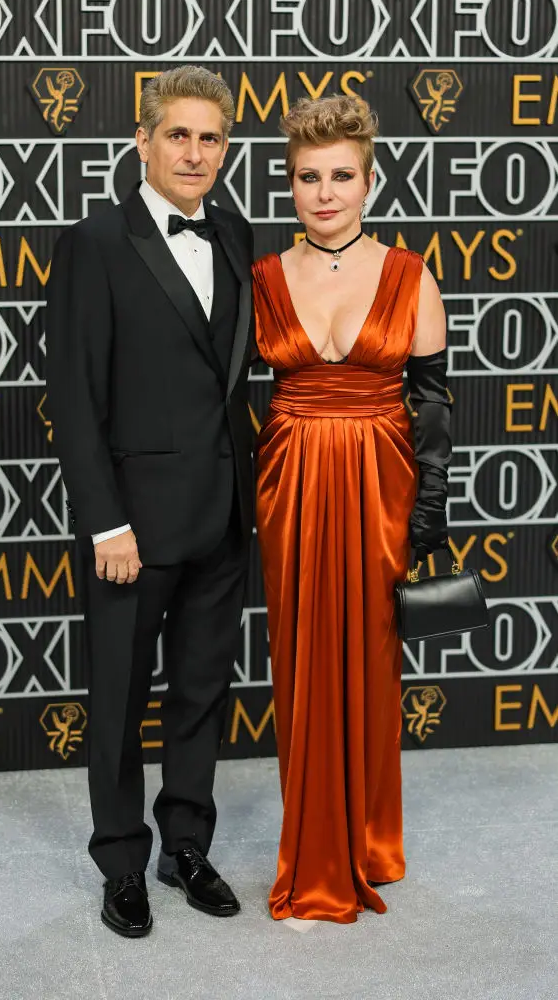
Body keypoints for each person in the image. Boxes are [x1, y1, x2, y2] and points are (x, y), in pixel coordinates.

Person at [46, 66, 254, 938]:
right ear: (142, 140)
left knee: (201, 692)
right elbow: (73, 395)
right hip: (131, 525)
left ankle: (186, 847)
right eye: (178, 135)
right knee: (120, 700)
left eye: (210, 138)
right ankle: (122, 861)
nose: (194, 153)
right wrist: (106, 522)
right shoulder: (95, 241)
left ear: (224, 149)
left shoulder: (235, 230)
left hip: (222, 513)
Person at [253, 95, 451, 923]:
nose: (324, 193)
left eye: (340, 176)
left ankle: (368, 839)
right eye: (308, 177)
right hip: (290, 481)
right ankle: (313, 850)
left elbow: (431, 403)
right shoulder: (264, 278)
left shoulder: (409, 273)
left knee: (371, 660)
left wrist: (428, 507)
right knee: (299, 660)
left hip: (380, 482)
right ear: (289, 184)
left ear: (369, 182)